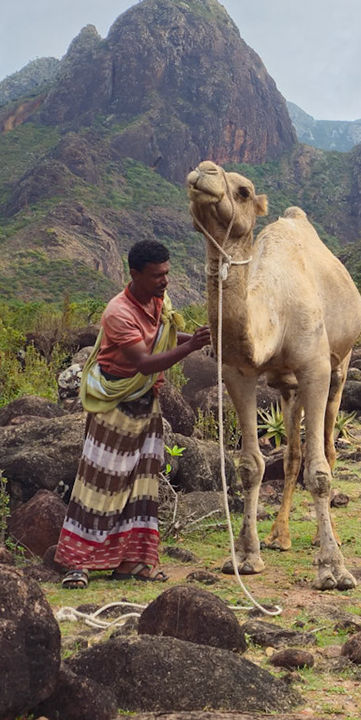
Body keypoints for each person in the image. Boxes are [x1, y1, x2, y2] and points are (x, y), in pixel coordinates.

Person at [55, 240, 213, 588]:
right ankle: (78, 563)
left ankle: (132, 562)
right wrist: (192, 346)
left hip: (146, 403)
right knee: (99, 484)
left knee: (141, 485)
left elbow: (163, 335)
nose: (164, 281)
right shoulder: (119, 313)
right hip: (115, 405)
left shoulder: (158, 303)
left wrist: (199, 337)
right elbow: (143, 361)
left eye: (167, 274)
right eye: (157, 275)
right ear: (135, 274)